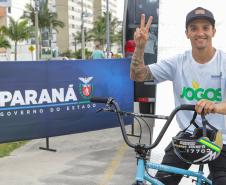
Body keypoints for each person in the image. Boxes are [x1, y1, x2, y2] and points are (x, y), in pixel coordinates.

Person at [130, 7, 226, 185]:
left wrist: (217, 106)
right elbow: (138, 75)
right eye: (194, 28)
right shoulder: (178, 62)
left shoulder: (224, 62)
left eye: (205, 27)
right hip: (189, 137)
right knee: (162, 181)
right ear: (187, 33)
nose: (200, 33)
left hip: (222, 140)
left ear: (213, 31)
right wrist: (140, 48)